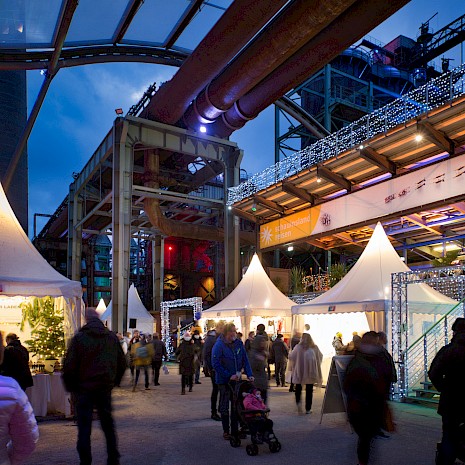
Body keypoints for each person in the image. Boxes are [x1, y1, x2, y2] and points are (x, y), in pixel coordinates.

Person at [62, 308, 126, 465]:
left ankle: (85, 461)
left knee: (84, 427)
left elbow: (69, 365)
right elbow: (122, 362)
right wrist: (114, 381)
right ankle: (113, 459)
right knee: (108, 425)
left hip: (84, 389)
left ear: (86, 319)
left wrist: (71, 387)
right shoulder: (111, 337)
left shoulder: (79, 338)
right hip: (104, 387)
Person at [343, 331, 392, 465]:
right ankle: (363, 461)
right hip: (363, 406)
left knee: (366, 438)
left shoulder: (360, 359)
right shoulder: (371, 360)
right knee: (366, 437)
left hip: (367, 406)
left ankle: (363, 460)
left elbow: (347, 385)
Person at [429, 317, 465, 465]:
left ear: (455, 331)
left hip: (451, 401)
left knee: (449, 435)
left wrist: (445, 388)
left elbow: (433, 373)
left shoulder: (449, 350)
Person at [0, 331, 39, 465]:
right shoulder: (23, 349)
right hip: (20, 380)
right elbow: (27, 438)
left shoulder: (9, 350)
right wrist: (11, 459)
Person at [212, 323, 254, 440]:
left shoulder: (239, 344)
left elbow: (245, 359)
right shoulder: (219, 345)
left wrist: (249, 374)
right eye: (231, 332)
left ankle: (237, 429)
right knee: (225, 406)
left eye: (234, 332)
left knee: (237, 405)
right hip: (224, 381)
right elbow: (216, 364)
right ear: (225, 333)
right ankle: (226, 431)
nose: (233, 334)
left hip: (237, 380)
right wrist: (228, 375)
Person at [289, 333, 322, 414]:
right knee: (309, 390)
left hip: (299, 371)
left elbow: (291, 357)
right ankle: (308, 408)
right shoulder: (314, 347)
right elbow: (320, 357)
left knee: (298, 388)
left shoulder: (298, 347)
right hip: (310, 372)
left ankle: (298, 403)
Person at [203, 324, 223, 421]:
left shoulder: (222, 338)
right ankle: (214, 411)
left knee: (222, 389)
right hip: (215, 369)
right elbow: (206, 354)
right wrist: (210, 368)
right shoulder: (211, 339)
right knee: (216, 389)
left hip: (222, 369)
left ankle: (220, 408)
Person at [249, 335, 269, 404]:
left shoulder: (263, 353)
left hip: (263, 381)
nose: (263, 343)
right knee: (257, 403)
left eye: (264, 341)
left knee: (263, 402)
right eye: (261, 341)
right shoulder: (253, 353)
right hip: (256, 382)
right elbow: (251, 366)